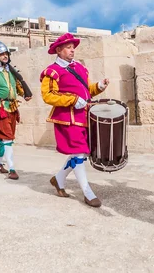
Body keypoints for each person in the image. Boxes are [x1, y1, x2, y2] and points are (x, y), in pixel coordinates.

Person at [40, 33, 109, 208]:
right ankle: (87, 192)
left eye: (73, 47)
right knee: (79, 153)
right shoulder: (52, 71)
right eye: (69, 47)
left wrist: (99, 87)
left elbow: (86, 92)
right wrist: (71, 99)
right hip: (67, 118)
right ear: (59, 50)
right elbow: (48, 96)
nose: (72, 50)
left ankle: (59, 179)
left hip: (84, 116)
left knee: (82, 153)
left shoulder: (80, 68)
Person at [0, 41, 31, 180]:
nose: (4, 56)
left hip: (13, 108)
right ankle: (12, 168)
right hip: (0, 109)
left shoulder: (11, 72)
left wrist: (24, 94)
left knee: (5, 139)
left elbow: (16, 88)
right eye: (1, 54)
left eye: (6, 54)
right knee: (8, 138)